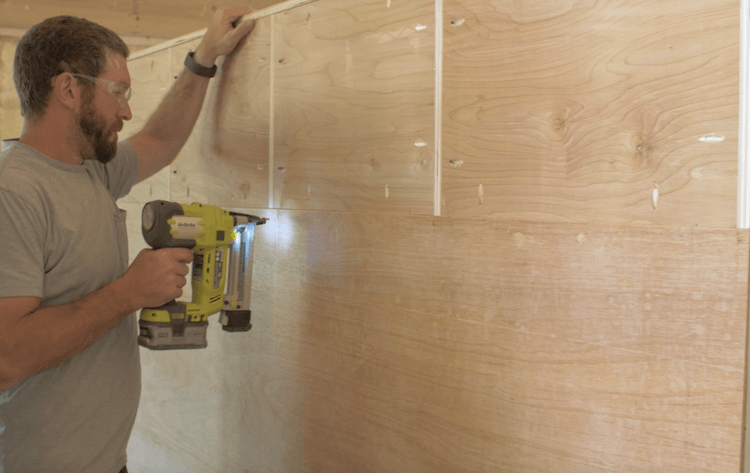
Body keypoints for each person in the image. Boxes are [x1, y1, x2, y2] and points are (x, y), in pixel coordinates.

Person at [0, 7, 256, 473]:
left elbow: (160, 137)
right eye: (116, 91)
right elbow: (6, 356)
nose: (126, 109)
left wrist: (203, 58)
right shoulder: (13, 191)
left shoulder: (91, 168)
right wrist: (128, 293)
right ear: (69, 89)